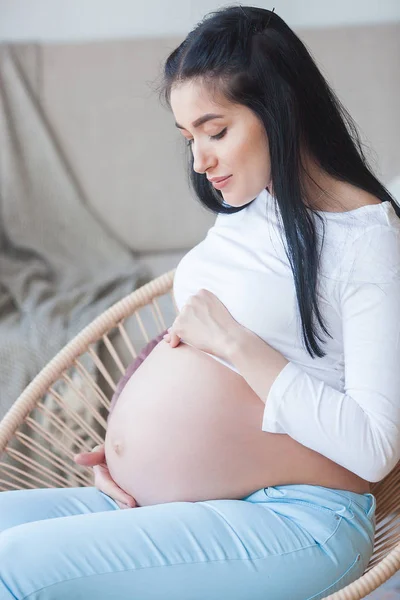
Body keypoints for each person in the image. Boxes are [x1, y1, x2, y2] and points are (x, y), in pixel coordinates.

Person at [1, 5, 399, 599]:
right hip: (197, 498)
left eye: (216, 132)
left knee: (12, 566)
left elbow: (375, 447)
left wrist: (236, 343)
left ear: (279, 111)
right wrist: (124, 440)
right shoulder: (254, 204)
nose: (199, 160)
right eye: (189, 137)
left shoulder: (367, 241)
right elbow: (193, 329)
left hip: (299, 520)